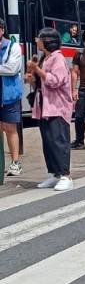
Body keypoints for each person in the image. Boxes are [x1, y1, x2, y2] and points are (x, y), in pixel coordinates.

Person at [26, 28, 74, 191]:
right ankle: (55, 174)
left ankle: (66, 175)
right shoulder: (44, 58)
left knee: (58, 141)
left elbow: (55, 81)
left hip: (57, 107)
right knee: (48, 142)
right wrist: (32, 78)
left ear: (47, 41)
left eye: (39, 38)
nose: (36, 40)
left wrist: (37, 69)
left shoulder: (58, 59)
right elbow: (42, 83)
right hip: (44, 107)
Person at [0, 18, 24, 176]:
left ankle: (15, 163)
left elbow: (12, 68)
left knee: (10, 128)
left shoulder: (13, 46)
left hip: (9, 94)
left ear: (2, 30)